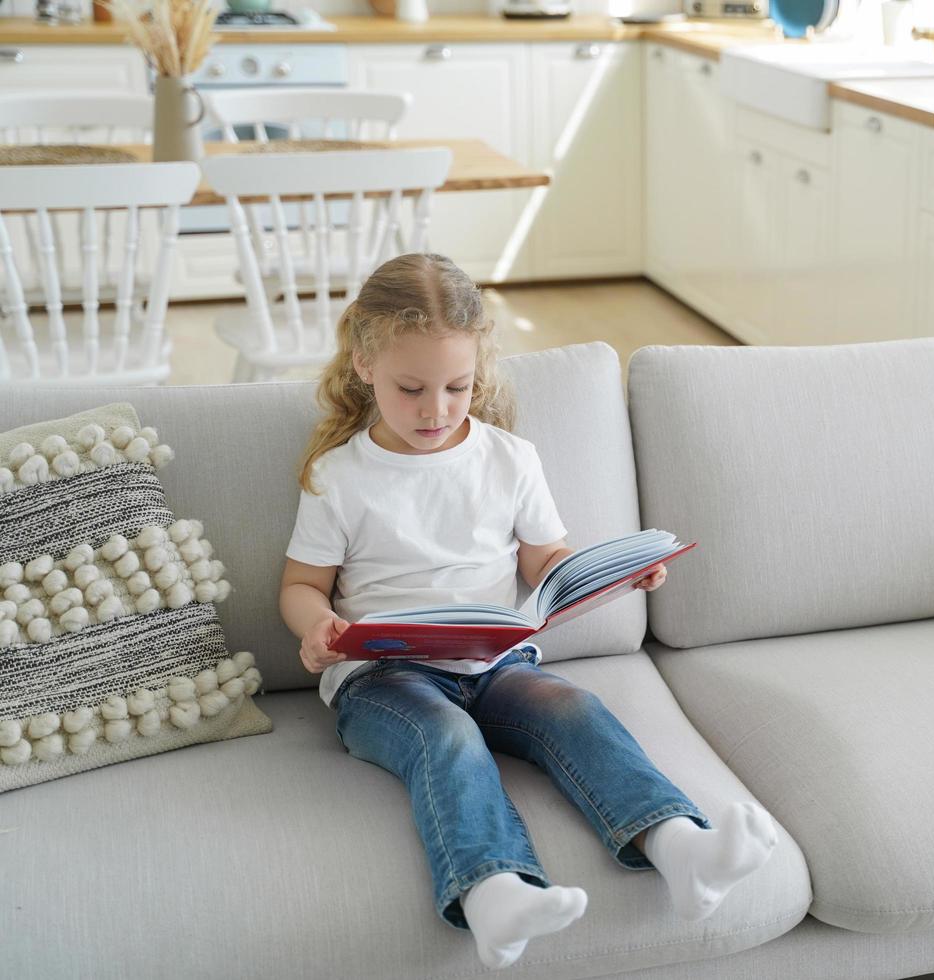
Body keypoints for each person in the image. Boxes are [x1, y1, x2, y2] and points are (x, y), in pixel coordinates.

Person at [278, 253, 778, 969]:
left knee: (575, 710)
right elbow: (300, 585)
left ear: (478, 370)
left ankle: (681, 849)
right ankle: (493, 894)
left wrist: (612, 575)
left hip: (497, 663)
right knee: (447, 739)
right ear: (363, 362)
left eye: (457, 387)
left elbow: (547, 562)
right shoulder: (340, 476)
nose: (437, 409)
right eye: (411, 388)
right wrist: (315, 629)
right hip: (383, 681)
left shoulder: (510, 458)